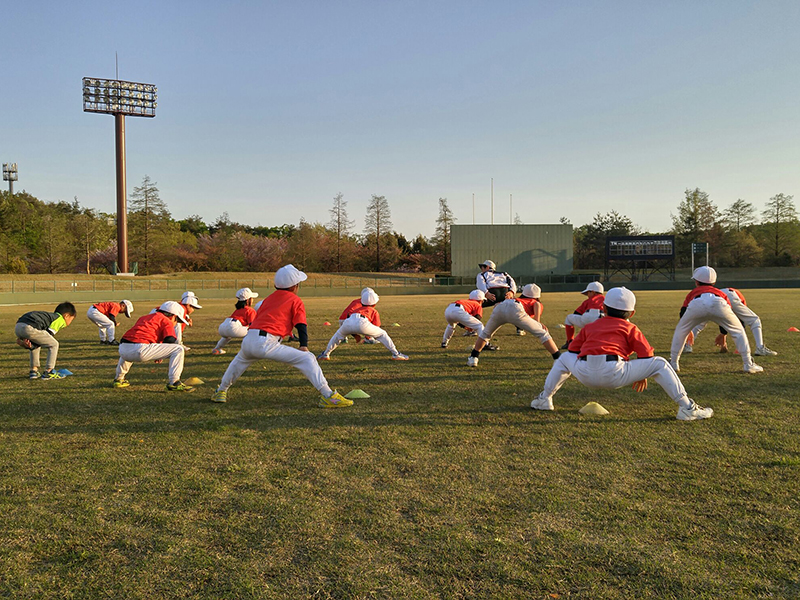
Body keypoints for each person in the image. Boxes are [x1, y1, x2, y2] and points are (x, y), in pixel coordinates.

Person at [531, 287, 713, 421]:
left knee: (563, 358)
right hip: (615, 373)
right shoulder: (630, 327)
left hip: (585, 372)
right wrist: (642, 373)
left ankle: (545, 399)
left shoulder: (591, 326)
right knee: (660, 364)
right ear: (632, 313)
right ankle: (687, 408)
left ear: (604, 309)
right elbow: (647, 355)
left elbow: (572, 350)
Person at [211, 264, 352, 408]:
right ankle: (328, 396)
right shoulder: (295, 300)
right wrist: (303, 345)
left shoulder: (268, 299)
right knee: (308, 358)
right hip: (266, 342)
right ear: (295, 286)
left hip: (249, 338)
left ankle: (221, 391)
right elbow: (301, 325)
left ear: (275, 284)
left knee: (238, 363)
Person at [669, 266, 763, 374]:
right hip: (719, 302)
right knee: (739, 331)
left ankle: (674, 363)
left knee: (680, 331)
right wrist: (723, 333)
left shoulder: (693, 292)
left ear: (696, 282)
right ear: (714, 282)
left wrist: (687, 328)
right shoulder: (720, 292)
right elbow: (727, 314)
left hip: (697, 303)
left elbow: (683, 310)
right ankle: (748, 364)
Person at [467, 284, 559, 366]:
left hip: (501, 306)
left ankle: (473, 358)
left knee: (485, 334)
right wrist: (538, 323)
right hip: (516, 308)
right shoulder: (535, 302)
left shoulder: (518, 298)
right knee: (543, 333)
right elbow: (537, 307)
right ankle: (558, 358)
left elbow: (497, 305)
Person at [113, 301, 194, 391]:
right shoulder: (166, 320)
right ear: (173, 316)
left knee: (130, 345)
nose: (176, 323)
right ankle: (174, 382)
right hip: (140, 350)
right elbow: (170, 339)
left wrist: (159, 350)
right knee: (178, 349)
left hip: (123, 349)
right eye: (177, 320)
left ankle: (119, 379)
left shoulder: (144, 317)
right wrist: (162, 352)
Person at [317, 288, 409, 361]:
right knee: (382, 334)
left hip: (348, 322)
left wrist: (355, 334)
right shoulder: (374, 311)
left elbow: (350, 321)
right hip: (363, 322)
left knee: (337, 336)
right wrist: (368, 336)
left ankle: (325, 354)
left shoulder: (357, 309)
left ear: (361, 302)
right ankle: (396, 354)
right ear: (375, 303)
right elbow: (376, 327)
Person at [683, 287, 777, 357]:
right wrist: (723, 334)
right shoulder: (738, 298)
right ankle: (760, 348)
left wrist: (723, 334)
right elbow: (737, 321)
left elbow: (723, 318)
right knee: (754, 320)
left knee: (699, 324)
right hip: (729, 295)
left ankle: (687, 346)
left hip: (712, 297)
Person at [15, 302, 77, 380]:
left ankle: (33, 371)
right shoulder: (59, 319)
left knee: (37, 343)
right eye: (71, 319)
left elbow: (40, 340)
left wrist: (30, 346)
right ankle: (49, 371)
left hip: (18, 326)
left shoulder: (50, 316)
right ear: (66, 316)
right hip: (29, 327)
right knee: (54, 344)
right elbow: (48, 335)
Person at [212, 288, 259, 355]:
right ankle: (248, 351)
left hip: (223, 327)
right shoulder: (250, 310)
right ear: (248, 300)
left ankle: (217, 349)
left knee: (227, 336)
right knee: (252, 332)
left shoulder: (238, 310)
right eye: (252, 298)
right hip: (233, 327)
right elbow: (252, 325)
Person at [562, 281, 605, 349]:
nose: (587, 295)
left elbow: (576, 313)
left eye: (588, 293)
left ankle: (569, 342)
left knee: (569, 318)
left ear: (592, 292)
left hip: (588, 316)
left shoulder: (589, 300)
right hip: (602, 319)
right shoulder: (606, 300)